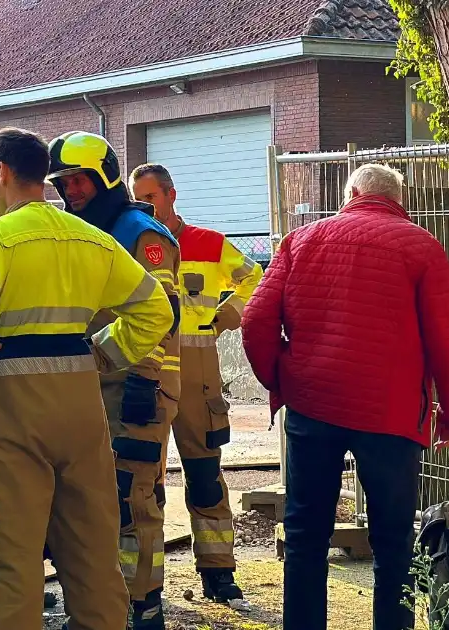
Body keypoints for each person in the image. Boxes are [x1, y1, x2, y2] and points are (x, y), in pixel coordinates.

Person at [0, 127, 173, 629]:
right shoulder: (92, 238)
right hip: (83, 410)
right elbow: (155, 311)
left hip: (12, 413)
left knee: (14, 560)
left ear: (0, 173)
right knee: (94, 555)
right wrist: (102, 356)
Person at [241, 163, 449, 630]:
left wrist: (282, 378)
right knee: (393, 542)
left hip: (314, 405)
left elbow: (256, 320)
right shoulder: (421, 247)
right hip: (390, 414)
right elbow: (448, 341)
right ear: (398, 200)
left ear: (351, 192)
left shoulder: (301, 240)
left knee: (305, 535)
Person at [46, 132, 181, 628]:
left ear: (104, 177)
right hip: (94, 388)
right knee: (96, 499)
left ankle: (142, 604)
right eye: (63, 183)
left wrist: (144, 382)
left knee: (133, 498)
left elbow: (161, 314)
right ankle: (108, 602)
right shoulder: (82, 230)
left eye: (79, 179)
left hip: (137, 387)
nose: (71, 190)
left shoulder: (139, 233)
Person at [129, 162, 260, 602]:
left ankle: (219, 574)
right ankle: (149, 583)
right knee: (146, 480)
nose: (143, 206)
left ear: (170, 194)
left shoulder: (208, 242)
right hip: (147, 367)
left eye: (149, 197)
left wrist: (228, 315)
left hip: (198, 365)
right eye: (136, 198)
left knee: (205, 474)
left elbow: (255, 278)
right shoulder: (129, 242)